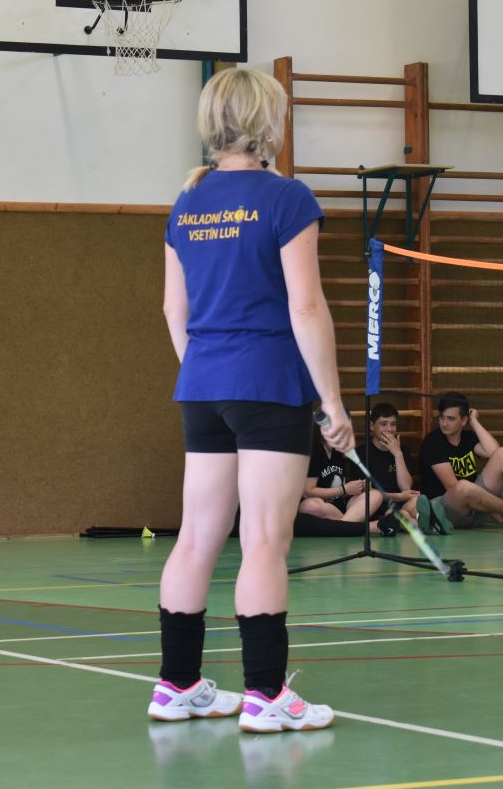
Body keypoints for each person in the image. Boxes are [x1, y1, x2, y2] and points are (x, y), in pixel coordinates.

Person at [150, 68, 353, 734]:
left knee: (196, 538)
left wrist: (208, 371)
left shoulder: (187, 202)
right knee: (265, 538)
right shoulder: (287, 197)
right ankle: (266, 695)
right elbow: (306, 307)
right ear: (267, 122)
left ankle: (177, 686)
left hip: (203, 386)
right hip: (268, 384)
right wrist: (332, 401)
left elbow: (173, 310)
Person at [417, 392, 503, 532]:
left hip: (477, 508)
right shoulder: (433, 442)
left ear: (463, 420)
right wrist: (494, 508)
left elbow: (494, 451)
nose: (444, 423)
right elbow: (453, 487)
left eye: (450, 419)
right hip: (448, 512)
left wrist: (474, 422)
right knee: (462, 486)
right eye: (442, 417)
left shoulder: (468, 437)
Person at [294, 423, 385, 535]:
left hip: (339, 510)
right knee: (310, 506)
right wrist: (343, 489)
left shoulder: (337, 453)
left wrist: (357, 487)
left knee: (376, 495)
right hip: (323, 508)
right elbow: (307, 492)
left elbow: (341, 491)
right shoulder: (315, 450)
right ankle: (352, 526)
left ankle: (343, 526)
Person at [353, 402, 418, 536]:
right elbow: (365, 491)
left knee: (417, 500)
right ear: (372, 426)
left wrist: (397, 454)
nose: (389, 429)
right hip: (377, 508)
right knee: (401, 514)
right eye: (384, 424)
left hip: (401, 504)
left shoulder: (403, 450)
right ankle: (422, 523)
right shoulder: (361, 453)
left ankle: (406, 519)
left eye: (393, 424)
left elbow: (406, 487)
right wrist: (398, 497)